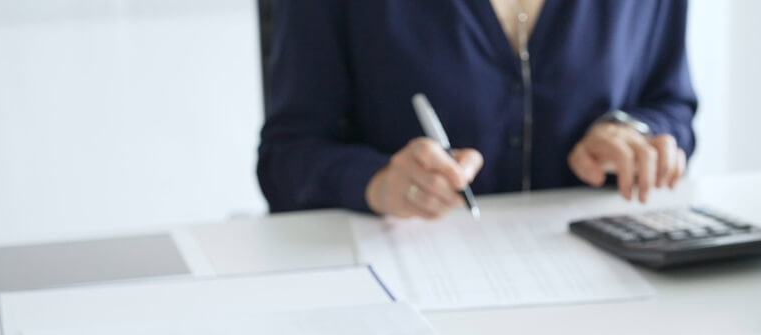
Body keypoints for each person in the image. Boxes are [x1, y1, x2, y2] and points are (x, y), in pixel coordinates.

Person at [257, 0, 697, 219]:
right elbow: (286, 156)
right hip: (407, 303)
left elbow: (672, 107)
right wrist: (377, 182)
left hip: (611, 292)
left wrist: (632, 132)